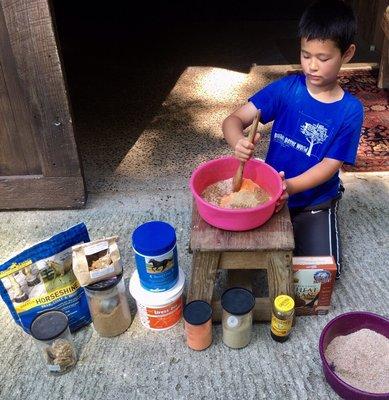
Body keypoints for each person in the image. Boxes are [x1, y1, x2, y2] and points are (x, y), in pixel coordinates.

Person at [222, 0, 363, 278]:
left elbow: (330, 165)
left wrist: (289, 187)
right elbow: (233, 120)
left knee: (320, 276)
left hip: (314, 201)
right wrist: (237, 140)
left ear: (347, 54)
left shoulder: (350, 110)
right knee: (238, 267)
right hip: (271, 193)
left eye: (323, 58)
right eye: (305, 54)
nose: (312, 66)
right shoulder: (287, 89)